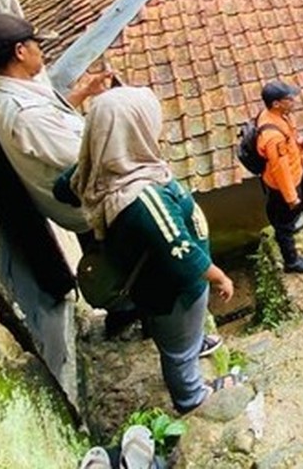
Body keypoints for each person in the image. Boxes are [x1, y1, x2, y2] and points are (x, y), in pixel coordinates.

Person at [57, 87, 237, 415]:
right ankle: (191, 396)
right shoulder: (144, 197)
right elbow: (182, 253)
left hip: (148, 283)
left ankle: (191, 341)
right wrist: (219, 276)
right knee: (177, 352)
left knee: (169, 329)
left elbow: (62, 188)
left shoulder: (102, 169)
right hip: (175, 290)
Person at [0, 12, 113, 235]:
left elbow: (51, 124)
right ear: (20, 51)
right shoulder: (27, 116)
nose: (41, 51)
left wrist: (84, 92)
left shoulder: (1, 91)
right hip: (91, 212)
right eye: (37, 44)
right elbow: (91, 163)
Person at [256, 80, 303, 273]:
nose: (293, 101)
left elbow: (289, 144)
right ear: (276, 103)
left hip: (292, 176)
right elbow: (280, 169)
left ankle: (288, 224)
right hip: (283, 184)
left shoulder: (279, 116)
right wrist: (291, 197)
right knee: (284, 222)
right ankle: (292, 261)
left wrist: (301, 144)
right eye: (289, 99)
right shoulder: (273, 136)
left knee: (284, 216)